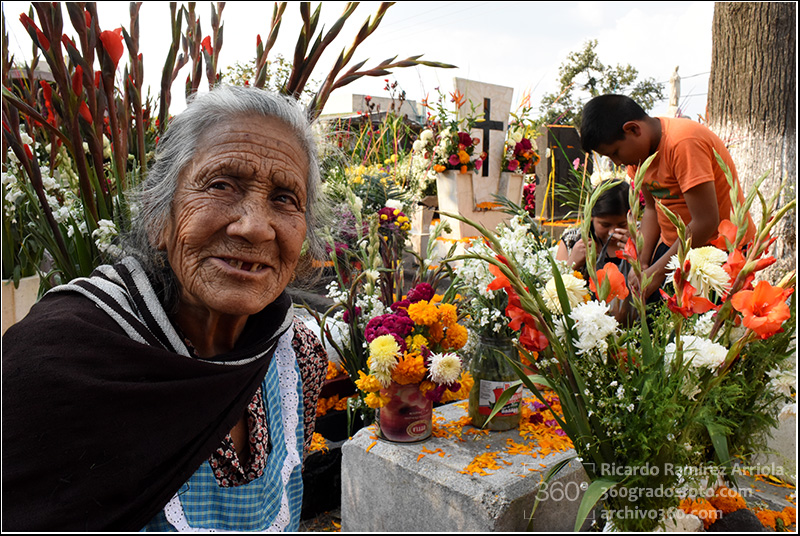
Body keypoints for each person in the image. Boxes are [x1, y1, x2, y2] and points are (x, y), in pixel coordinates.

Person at [2, 86, 330, 531]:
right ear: (160, 217)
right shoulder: (57, 362)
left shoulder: (296, 356)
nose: (255, 227)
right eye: (221, 185)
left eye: (284, 198)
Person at [579, 94, 755, 299]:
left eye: (615, 153)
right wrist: (642, 262)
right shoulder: (639, 157)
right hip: (675, 246)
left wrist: (656, 273)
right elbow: (652, 210)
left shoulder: (683, 143)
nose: (617, 162)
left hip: (718, 250)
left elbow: (705, 222)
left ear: (633, 129)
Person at [555, 179, 631, 279]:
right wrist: (572, 263)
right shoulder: (571, 241)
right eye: (605, 225)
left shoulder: (641, 239)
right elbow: (556, 285)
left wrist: (636, 255)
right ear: (590, 216)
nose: (612, 232)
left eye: (622, 224)